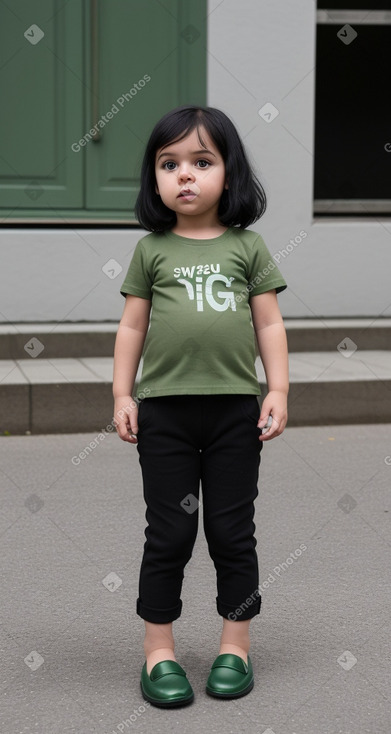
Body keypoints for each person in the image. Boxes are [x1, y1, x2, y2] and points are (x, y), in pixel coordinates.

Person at [112, 104, 289, 707]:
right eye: (169, 164)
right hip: (164, 415)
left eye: (201, 161)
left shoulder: (249, 246)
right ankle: (158, 651)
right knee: (169, 533)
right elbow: (132, 329)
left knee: (231, 532)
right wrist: (122, 394)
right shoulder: (151, 251)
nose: (184, 175)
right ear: (154, 179)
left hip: (234, 413)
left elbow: (268, 324)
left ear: (229, 174)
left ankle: (234, 645)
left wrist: (279, 389)